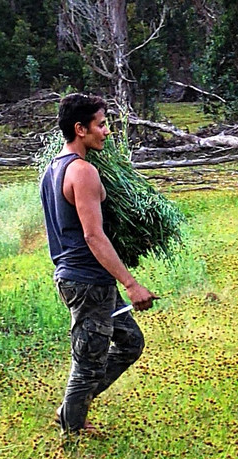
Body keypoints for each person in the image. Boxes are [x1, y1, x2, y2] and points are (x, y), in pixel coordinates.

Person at [40, 93, 157, 433]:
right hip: (87, 282)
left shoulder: (52, 168)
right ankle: (72, 430)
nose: (106, 132)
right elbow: (94, 236)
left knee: (130, 342)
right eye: (101, 125)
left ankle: (70, 410)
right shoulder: (82, 171)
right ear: (80, 129)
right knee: (87, 364)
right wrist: (131, 284)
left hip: (87, 281)